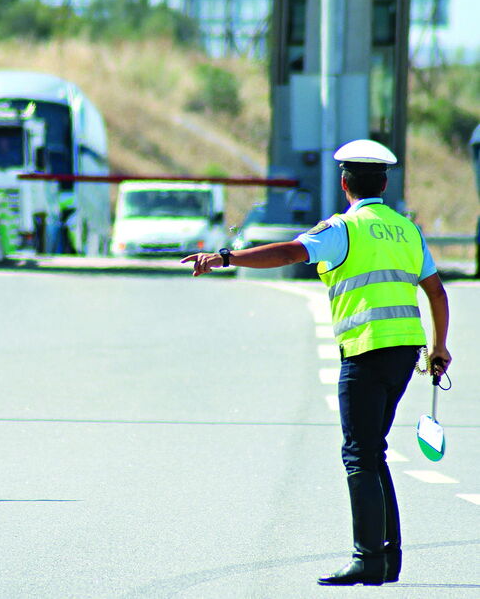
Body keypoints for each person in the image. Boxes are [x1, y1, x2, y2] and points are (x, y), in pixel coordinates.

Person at [182, 139, 451, 586]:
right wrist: (440, 347)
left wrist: (226, 258)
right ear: (384, 184)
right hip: (406, 351)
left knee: (359, 455)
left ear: (344, 184)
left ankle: (369, 559)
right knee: (373, 451)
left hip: (366, 349)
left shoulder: (343, 229)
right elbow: (436, 292)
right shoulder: (407, 230)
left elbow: (290, 252)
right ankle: (387, 558)